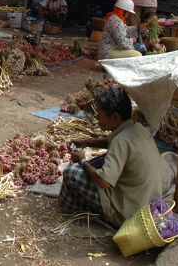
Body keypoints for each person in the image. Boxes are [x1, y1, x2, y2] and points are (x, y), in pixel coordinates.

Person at [59, 86, 162, 227]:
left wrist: (82, 160)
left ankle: (70, 207)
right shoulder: (138, 128)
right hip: (148, 202)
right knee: (99, 161)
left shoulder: (121, 141)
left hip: (128, 213)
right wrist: (86, 142)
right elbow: (112, 142)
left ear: (114, 117)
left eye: (100, 115)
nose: (97, 119)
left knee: (72, 172)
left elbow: (103, 182)